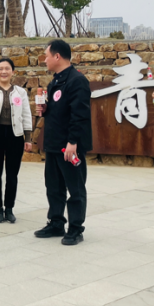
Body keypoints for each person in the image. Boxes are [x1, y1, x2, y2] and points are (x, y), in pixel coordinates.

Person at [34, 39, 92, 246]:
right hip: (54, 143)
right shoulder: (55, 82)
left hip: (69, 145)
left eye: (47, 56)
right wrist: (45, 109)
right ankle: (56, 222)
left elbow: (80, 114)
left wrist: (72, 141)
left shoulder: (77, 81)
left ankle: (76, 228)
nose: (45, 60)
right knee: (54, 186)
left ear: (57, 56)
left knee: (75, 188)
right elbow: (59, 110)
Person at [0, 58, 33, 223]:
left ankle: (9, 208)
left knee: (12, 174)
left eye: (7, 68)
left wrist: (28, 138)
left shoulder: (20, 92)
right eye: (0, 69)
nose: (4, 72)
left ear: (13, 72)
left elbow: (26, 115)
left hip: (15, 135)